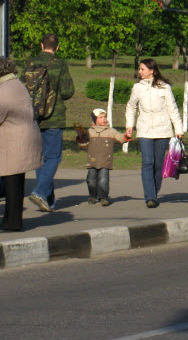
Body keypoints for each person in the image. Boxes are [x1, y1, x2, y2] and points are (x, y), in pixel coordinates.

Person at [23, 33, 74, 213]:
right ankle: (39, 192)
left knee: (41, 158)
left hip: (33, 117)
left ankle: (48, 199)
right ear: (57, 47)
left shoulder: (29, 63)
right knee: (53, 157)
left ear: (41, 45)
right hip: (54, 117)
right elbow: (68, 92)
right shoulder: (60, 64)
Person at [125, 59, 183, 209]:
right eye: (139, 69)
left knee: (158, 164)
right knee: (147, 162)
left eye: (142, 69)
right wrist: (129, 126)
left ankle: (154, 192)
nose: (140, 72)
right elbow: (131, 107)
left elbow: (173, 108)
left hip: (163, 129)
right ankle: (150, 197)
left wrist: (178, 129)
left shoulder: (164, 87)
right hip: (144, 129)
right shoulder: (137, 87)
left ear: (152, 70)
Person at [0, 57, 44, 232]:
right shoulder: (15, 84)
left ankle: (12, 222)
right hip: (22, 139)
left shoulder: (4, 91)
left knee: (12, 184)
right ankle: (12, 220)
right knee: (15, 184)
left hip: (14, 142)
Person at [80, 108, 127, 207]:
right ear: (95, 120)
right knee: (91, 180)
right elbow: (84, 145)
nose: (104, 119)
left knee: (103, 180)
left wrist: (126, 136)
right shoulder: (90, 131)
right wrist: (81, 139)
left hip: (105, 161)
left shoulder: (111, 131)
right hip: (92, 161)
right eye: (100, 117)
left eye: (105, 117)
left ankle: (103, 197)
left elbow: (121, 138)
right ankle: (92, 196)